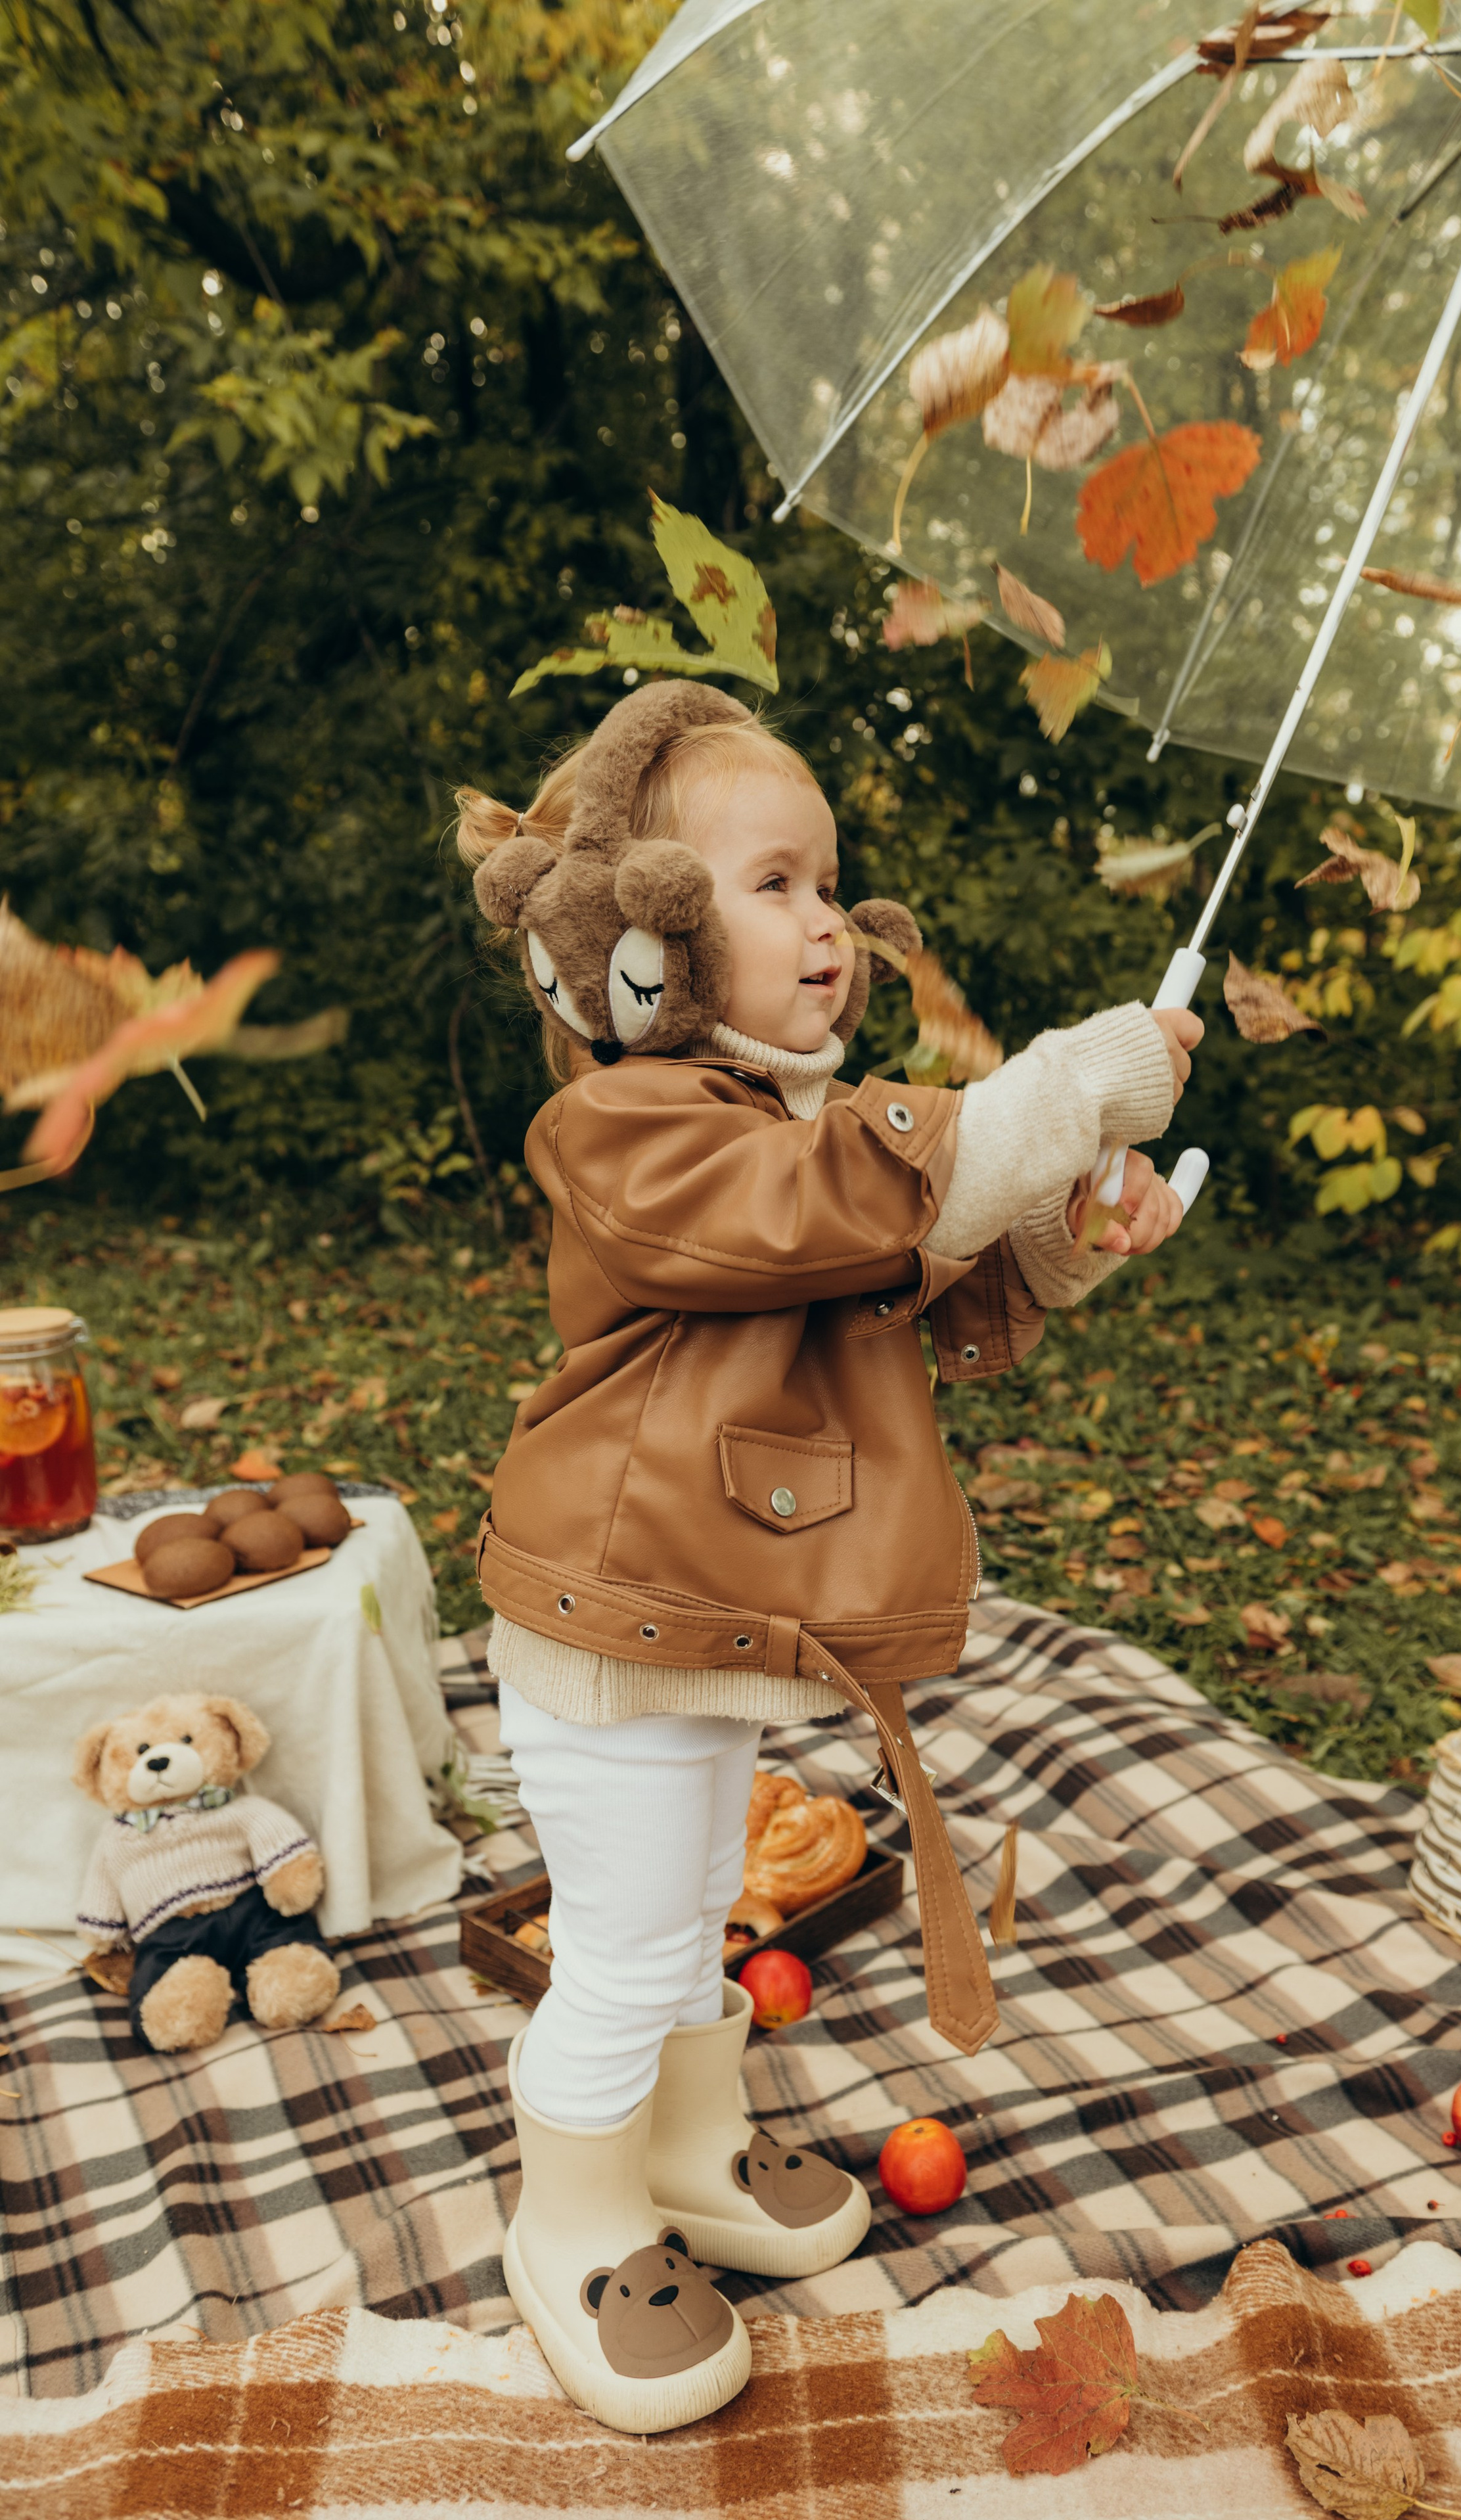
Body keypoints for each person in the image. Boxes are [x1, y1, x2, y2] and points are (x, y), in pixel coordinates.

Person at [456, 681, 1200, 2432]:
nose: (826, 921)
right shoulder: (629, 1124)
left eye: (828, 880)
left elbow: (912, 1264)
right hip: (614, 1623)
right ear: (644, 941)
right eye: (775, 882)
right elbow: (843, 1203)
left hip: (710, 1626)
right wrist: (1068, 1079)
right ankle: (568, 2221)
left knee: (697, 1907)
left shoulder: (802, 1126)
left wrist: (1067, 1224)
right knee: (627, 1949)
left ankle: (696, 2147)